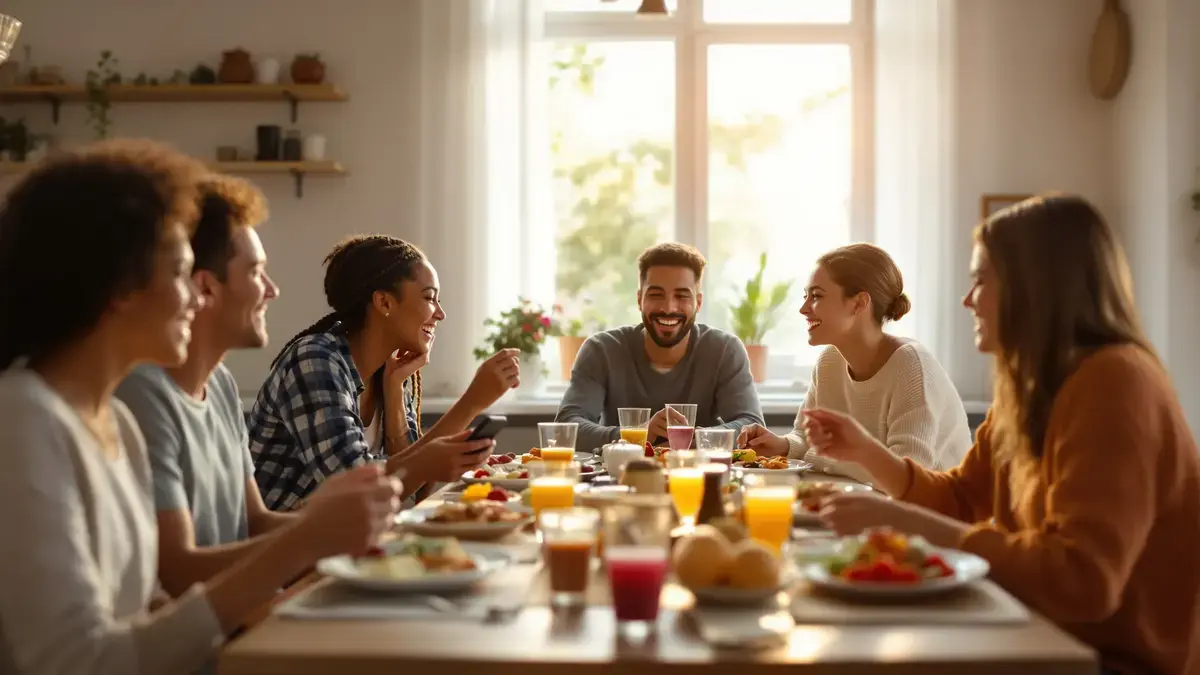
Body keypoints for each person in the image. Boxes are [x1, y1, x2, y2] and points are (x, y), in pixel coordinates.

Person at [0, 140, 399, 675]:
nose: (195, 296)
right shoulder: (23, 420)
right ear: (120, 285)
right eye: (178, 273)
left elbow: (149, 613)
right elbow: (79, 661)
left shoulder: (115, 423)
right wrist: (304, 540)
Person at [804, 195, 1200, 674]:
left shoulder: (1116, 381)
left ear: (1035, 285)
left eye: (980, 280)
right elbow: (959, 498)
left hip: (1107, 661)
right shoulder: (1027, 386)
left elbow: (1082, 582)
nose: (968, 299)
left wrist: (906, 523)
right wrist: (866, 452)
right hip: (1033, 630)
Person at [113, 174, 310, 597]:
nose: (272, 290)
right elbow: (178, 571)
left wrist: (360, 531)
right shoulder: (139, 395)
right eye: (255, 272)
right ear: (206, 286)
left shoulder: (220, 383)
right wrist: (319, 535)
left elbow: (254, 521)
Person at [250, 234, 521, 511]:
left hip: (347, 535)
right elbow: (357, 489)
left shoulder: (391, 372)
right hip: (282, 536)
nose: (440, 313)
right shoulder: (314, 361)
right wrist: (471, 403)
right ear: (384, 303)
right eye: (430, 298)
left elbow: (415, 487)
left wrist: (394, 397)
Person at [737, 243, 971, 484]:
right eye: (806, 296)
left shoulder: (911, 366)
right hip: (864, 498)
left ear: (859, 303)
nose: (803, 309)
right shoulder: (829, 361)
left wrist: (817, 457)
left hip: (933, 506)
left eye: (816, 296)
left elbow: (904, 474)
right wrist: (782, 445)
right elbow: (806, 438)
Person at [556, 242, 764, 452]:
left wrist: (692, 438)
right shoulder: (602, 350)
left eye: (682, 296)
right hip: (620, 470)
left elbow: (751, 424)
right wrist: (636, 435)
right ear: (640, 299)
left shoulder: (724, 350)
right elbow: (565, 427)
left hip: (700, 470)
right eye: (656, 295)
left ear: (698, 303)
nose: (668, 308)